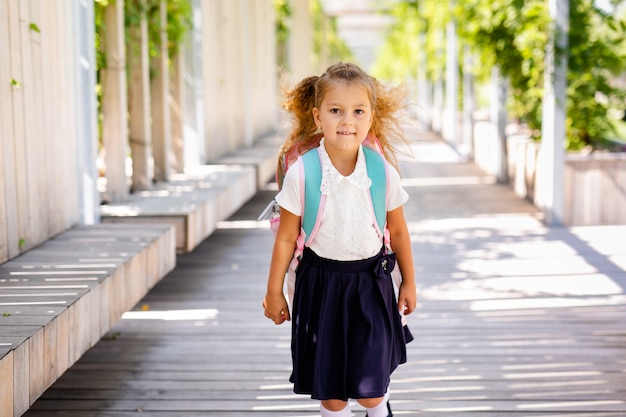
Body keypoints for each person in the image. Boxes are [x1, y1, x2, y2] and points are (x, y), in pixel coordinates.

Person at [263, 62, 417, 417]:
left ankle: (380, 408)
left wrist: (409, 280)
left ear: (370, 118)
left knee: (370, 390)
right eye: (336, 111)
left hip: (371, 283)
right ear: (318, 117)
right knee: (332, 394)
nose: (347, 120)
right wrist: (274, 291)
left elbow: (399, 230)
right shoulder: (303, 172)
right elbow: (286, 239)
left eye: (357, 111)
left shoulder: (381, 171)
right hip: (320, 286)